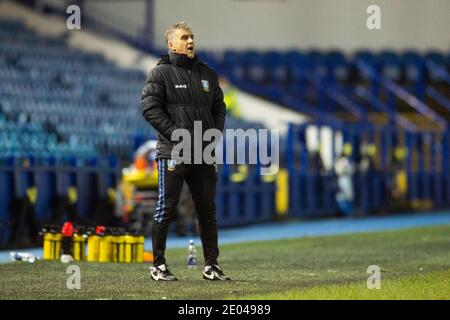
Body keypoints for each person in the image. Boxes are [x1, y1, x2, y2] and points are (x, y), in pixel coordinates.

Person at [141, 22, 230, 281]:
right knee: (165, 207)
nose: (190, 41)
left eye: (191, 36)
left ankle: (211, 266)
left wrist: (214, 133)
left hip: (202, 153)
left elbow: (219, 106)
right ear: (171, 44)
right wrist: (176, 135)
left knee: (207, 211)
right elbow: (150, 108)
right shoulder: (160, 74)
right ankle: (158, 265)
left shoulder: (207, 74)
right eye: (184, 37)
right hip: (173, 152)